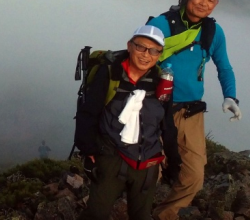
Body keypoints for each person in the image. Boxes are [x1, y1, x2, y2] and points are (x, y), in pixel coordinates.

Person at [149, 0, 239, 220]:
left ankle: (163, 216)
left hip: (191, 113)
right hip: (154, 108)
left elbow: (224, 67)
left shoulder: (213, 32)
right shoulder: (162, 25)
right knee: (149, 172)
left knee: (194, 176)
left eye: (211, 1)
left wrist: (230, 96)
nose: (204, 3)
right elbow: (137, 56)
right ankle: (136, 211)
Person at [74, 26, 181, 220]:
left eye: (154, 50)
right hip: (111, 158)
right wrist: (88, 152)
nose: (146, 55)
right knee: (97, 214)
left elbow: (167, 125)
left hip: (148, 162)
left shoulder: (162, 82)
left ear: (159, 54)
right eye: (141, 47)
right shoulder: (109, 74)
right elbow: (88, 113)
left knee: (141, 215)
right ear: (129, 46)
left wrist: (173, 162)